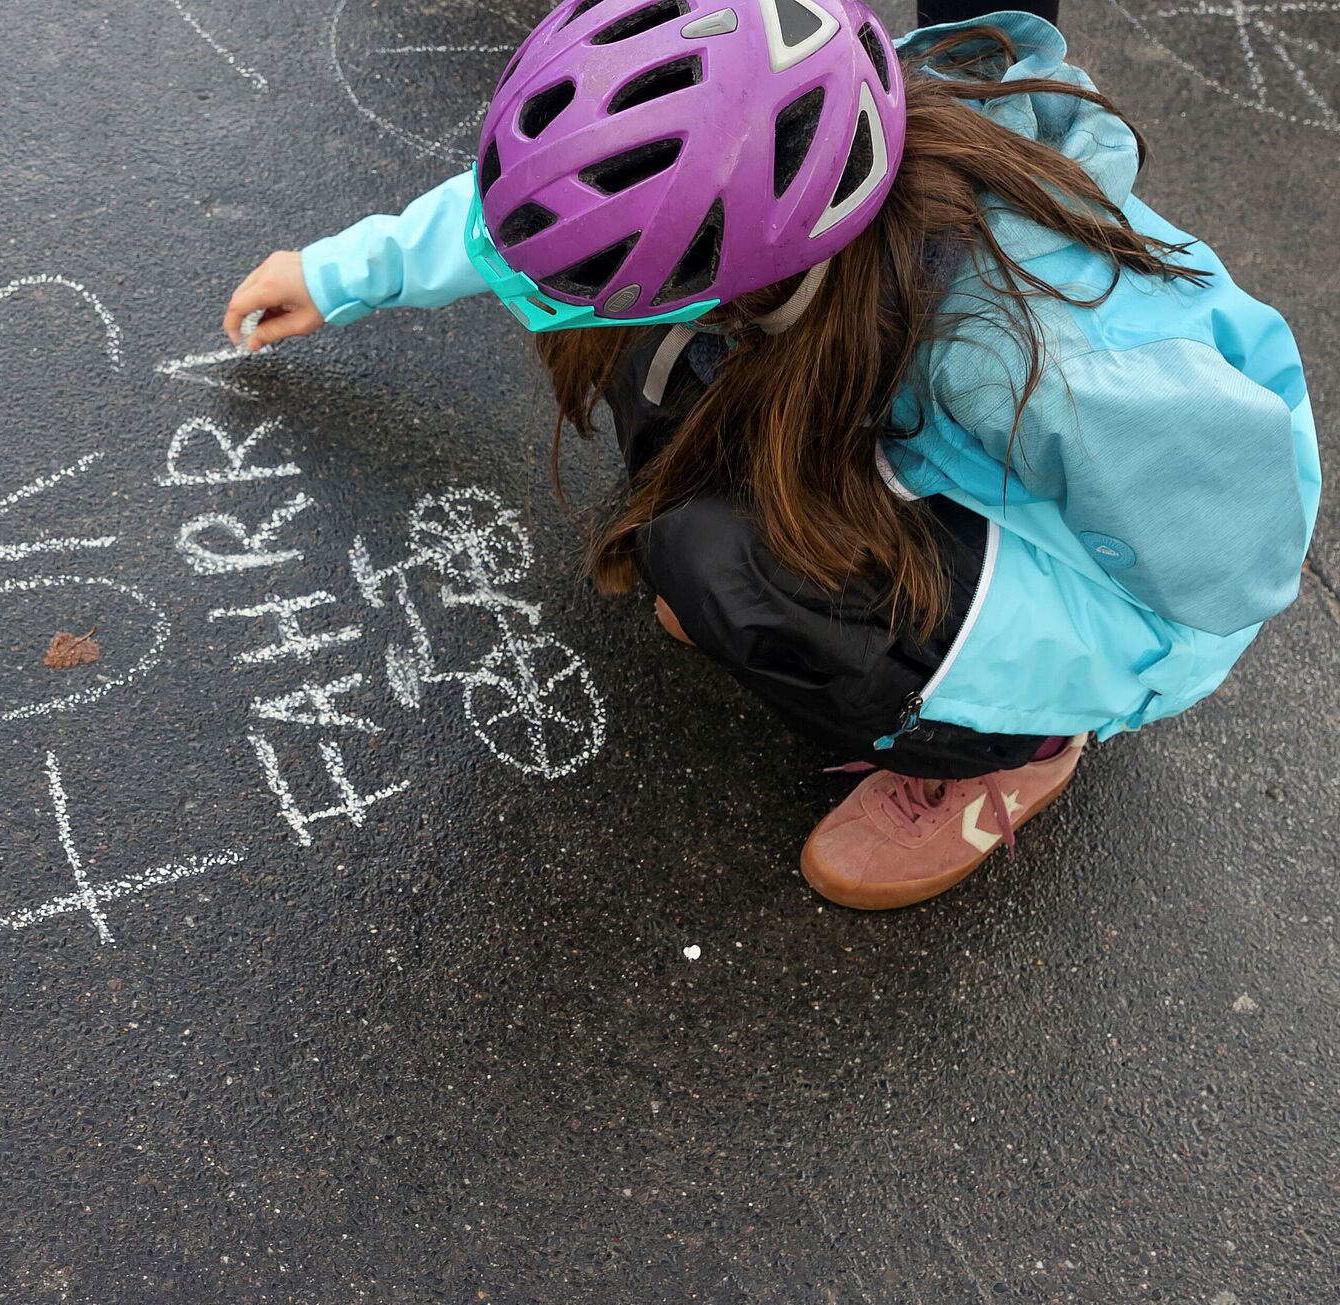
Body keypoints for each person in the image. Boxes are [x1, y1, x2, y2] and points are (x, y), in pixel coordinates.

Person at [222, 1, 1317, 909]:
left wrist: (1074, 684)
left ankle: (1018, 752)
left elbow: (1231, 573)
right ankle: (839, 579)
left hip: (1135, 589)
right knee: (659, 370)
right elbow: (577, 210)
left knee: (729, 564)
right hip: (953, 437)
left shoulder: (1043, 369)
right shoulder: (795, 147)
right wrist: (342, 273)